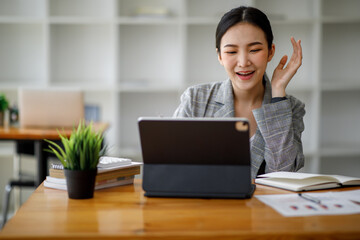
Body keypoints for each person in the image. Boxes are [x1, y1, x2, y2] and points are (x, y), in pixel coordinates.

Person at [173, 6, 305, 178]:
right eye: (231, 52)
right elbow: (173, 166)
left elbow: (283, 176)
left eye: (254, 50)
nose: (243, 62)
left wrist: (278, 93)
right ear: (220, 56)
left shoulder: (290, 107)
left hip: (263, 205)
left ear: (271, 51)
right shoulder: (195, 99)